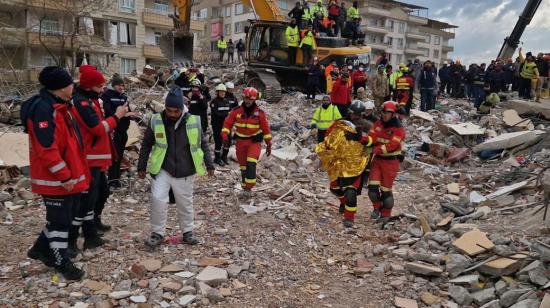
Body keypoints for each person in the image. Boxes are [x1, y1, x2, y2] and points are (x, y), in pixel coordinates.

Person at [22, 66, 88, 280]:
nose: (74, 86)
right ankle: (61, 261)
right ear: (61, 87)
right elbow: (46, 148)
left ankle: (40, 249)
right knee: (60, 221)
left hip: (66, 176)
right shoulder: (44, 109)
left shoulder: (61, 106)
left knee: (63, 217)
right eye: (71, 83)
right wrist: (64, 176)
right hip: (54, 179)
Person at [138, 87, 215, 248]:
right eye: (169, 110)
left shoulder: (193, 121)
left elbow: (203, 144)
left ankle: (187, 232)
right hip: (162, 169)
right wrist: (141, 166)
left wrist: (209, 164)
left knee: (184, 202)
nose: (172, 114)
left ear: (182, 108)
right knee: (158, 199)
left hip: (185, 170)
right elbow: (146, 145)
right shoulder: (156, 120)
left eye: (175, 111)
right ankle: (157, 233)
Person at [70, 65, 131, 257]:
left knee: (100, 193)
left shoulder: (91, 100)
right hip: (89, 158)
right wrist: (117, 116)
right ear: (89, 86)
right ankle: (79, 236)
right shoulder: (82, 103)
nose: (103, 88)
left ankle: (92, 228)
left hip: (97, 157)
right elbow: (97, 129)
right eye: (99, 85)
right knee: (87, 199)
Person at [326, 100, 374, 227]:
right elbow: (328, 138)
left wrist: (361, 139)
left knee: (351, 191)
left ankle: (349, 218)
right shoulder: (340, 124)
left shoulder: (367, 127)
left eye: (358, 114)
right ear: (349, 112)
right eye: (354, 114)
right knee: (334, 187)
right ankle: (343, 202)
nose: (356, 117)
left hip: (356, 165)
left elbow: (372, 145)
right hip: (339, 162)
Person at [221, 87, 272, 199]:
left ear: (254, 100)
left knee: (251, 163)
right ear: (243, 98)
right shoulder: (236, 111)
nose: (248, 101)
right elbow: (227, 124)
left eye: (250, 99)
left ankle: (249, 187)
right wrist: (224, 136)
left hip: (254, 142)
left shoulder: (260, 113)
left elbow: (266, 130)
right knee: (243, 167)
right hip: (240, 143)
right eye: (246, 98)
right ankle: (245, 188)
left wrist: (269, 144)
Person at [367, 101, 405, 225]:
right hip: (377, 160)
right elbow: (371, 136)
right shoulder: (378, 123)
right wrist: (363, 141)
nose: (384, 115)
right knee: (372, 188)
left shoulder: (398, 129)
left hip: (390, 163)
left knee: (386, 190)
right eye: (383, 112)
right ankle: (377, 207)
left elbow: (392, 146)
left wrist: (375, 149)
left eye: (387, 113)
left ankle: (386, 213)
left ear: (393, 114)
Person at [102, 74, 129, 193]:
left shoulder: (123, 96)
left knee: (119, 155)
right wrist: (120, 114)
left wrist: (130, 114)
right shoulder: (107, 95)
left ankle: (116, 178)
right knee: (114, 156)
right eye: (119, 85)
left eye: (123, 85)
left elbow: (127, 110)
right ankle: (111, 180)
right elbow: (108, 112)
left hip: (123, 130)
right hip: (113, 131)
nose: (121, 87)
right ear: (113, 85)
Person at [210, 84, 237, 166]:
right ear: (217, 92)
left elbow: (231, 112)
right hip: (217, 125)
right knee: (218, 142)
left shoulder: (226, 101)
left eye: (224, 92)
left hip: (227, 126)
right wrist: (227, 114)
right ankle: (217, 158)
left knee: (228, 141)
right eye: (221, 92)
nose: (223, 93)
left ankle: (224, 157)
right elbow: (217, 113)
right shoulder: (214, 102)